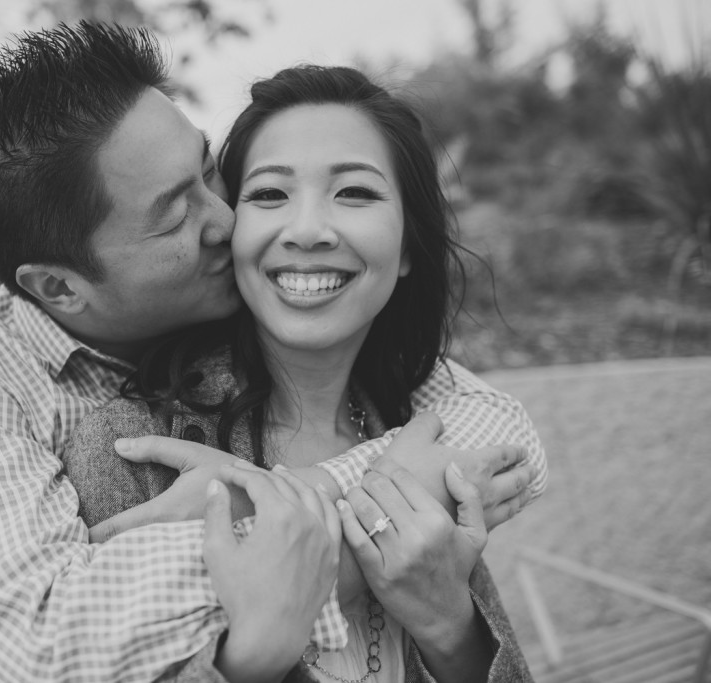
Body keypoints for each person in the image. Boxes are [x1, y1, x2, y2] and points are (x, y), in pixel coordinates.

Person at [0, 22, 546, 682]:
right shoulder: (59, 417)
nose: (230, 223)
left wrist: (448, 627)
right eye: (179, 214)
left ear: (407, 245)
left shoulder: (383, 389)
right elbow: (38, 641)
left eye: (210, 171)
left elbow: (505, 433)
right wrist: (271, 605)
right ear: (59, 286)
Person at [62, 65, 540, 682]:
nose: (309, 230)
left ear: (408, 251)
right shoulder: (134, 448)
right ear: (231, 231)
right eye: (268, 194)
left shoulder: (422, 431)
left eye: (355, 193)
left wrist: (450, 626)